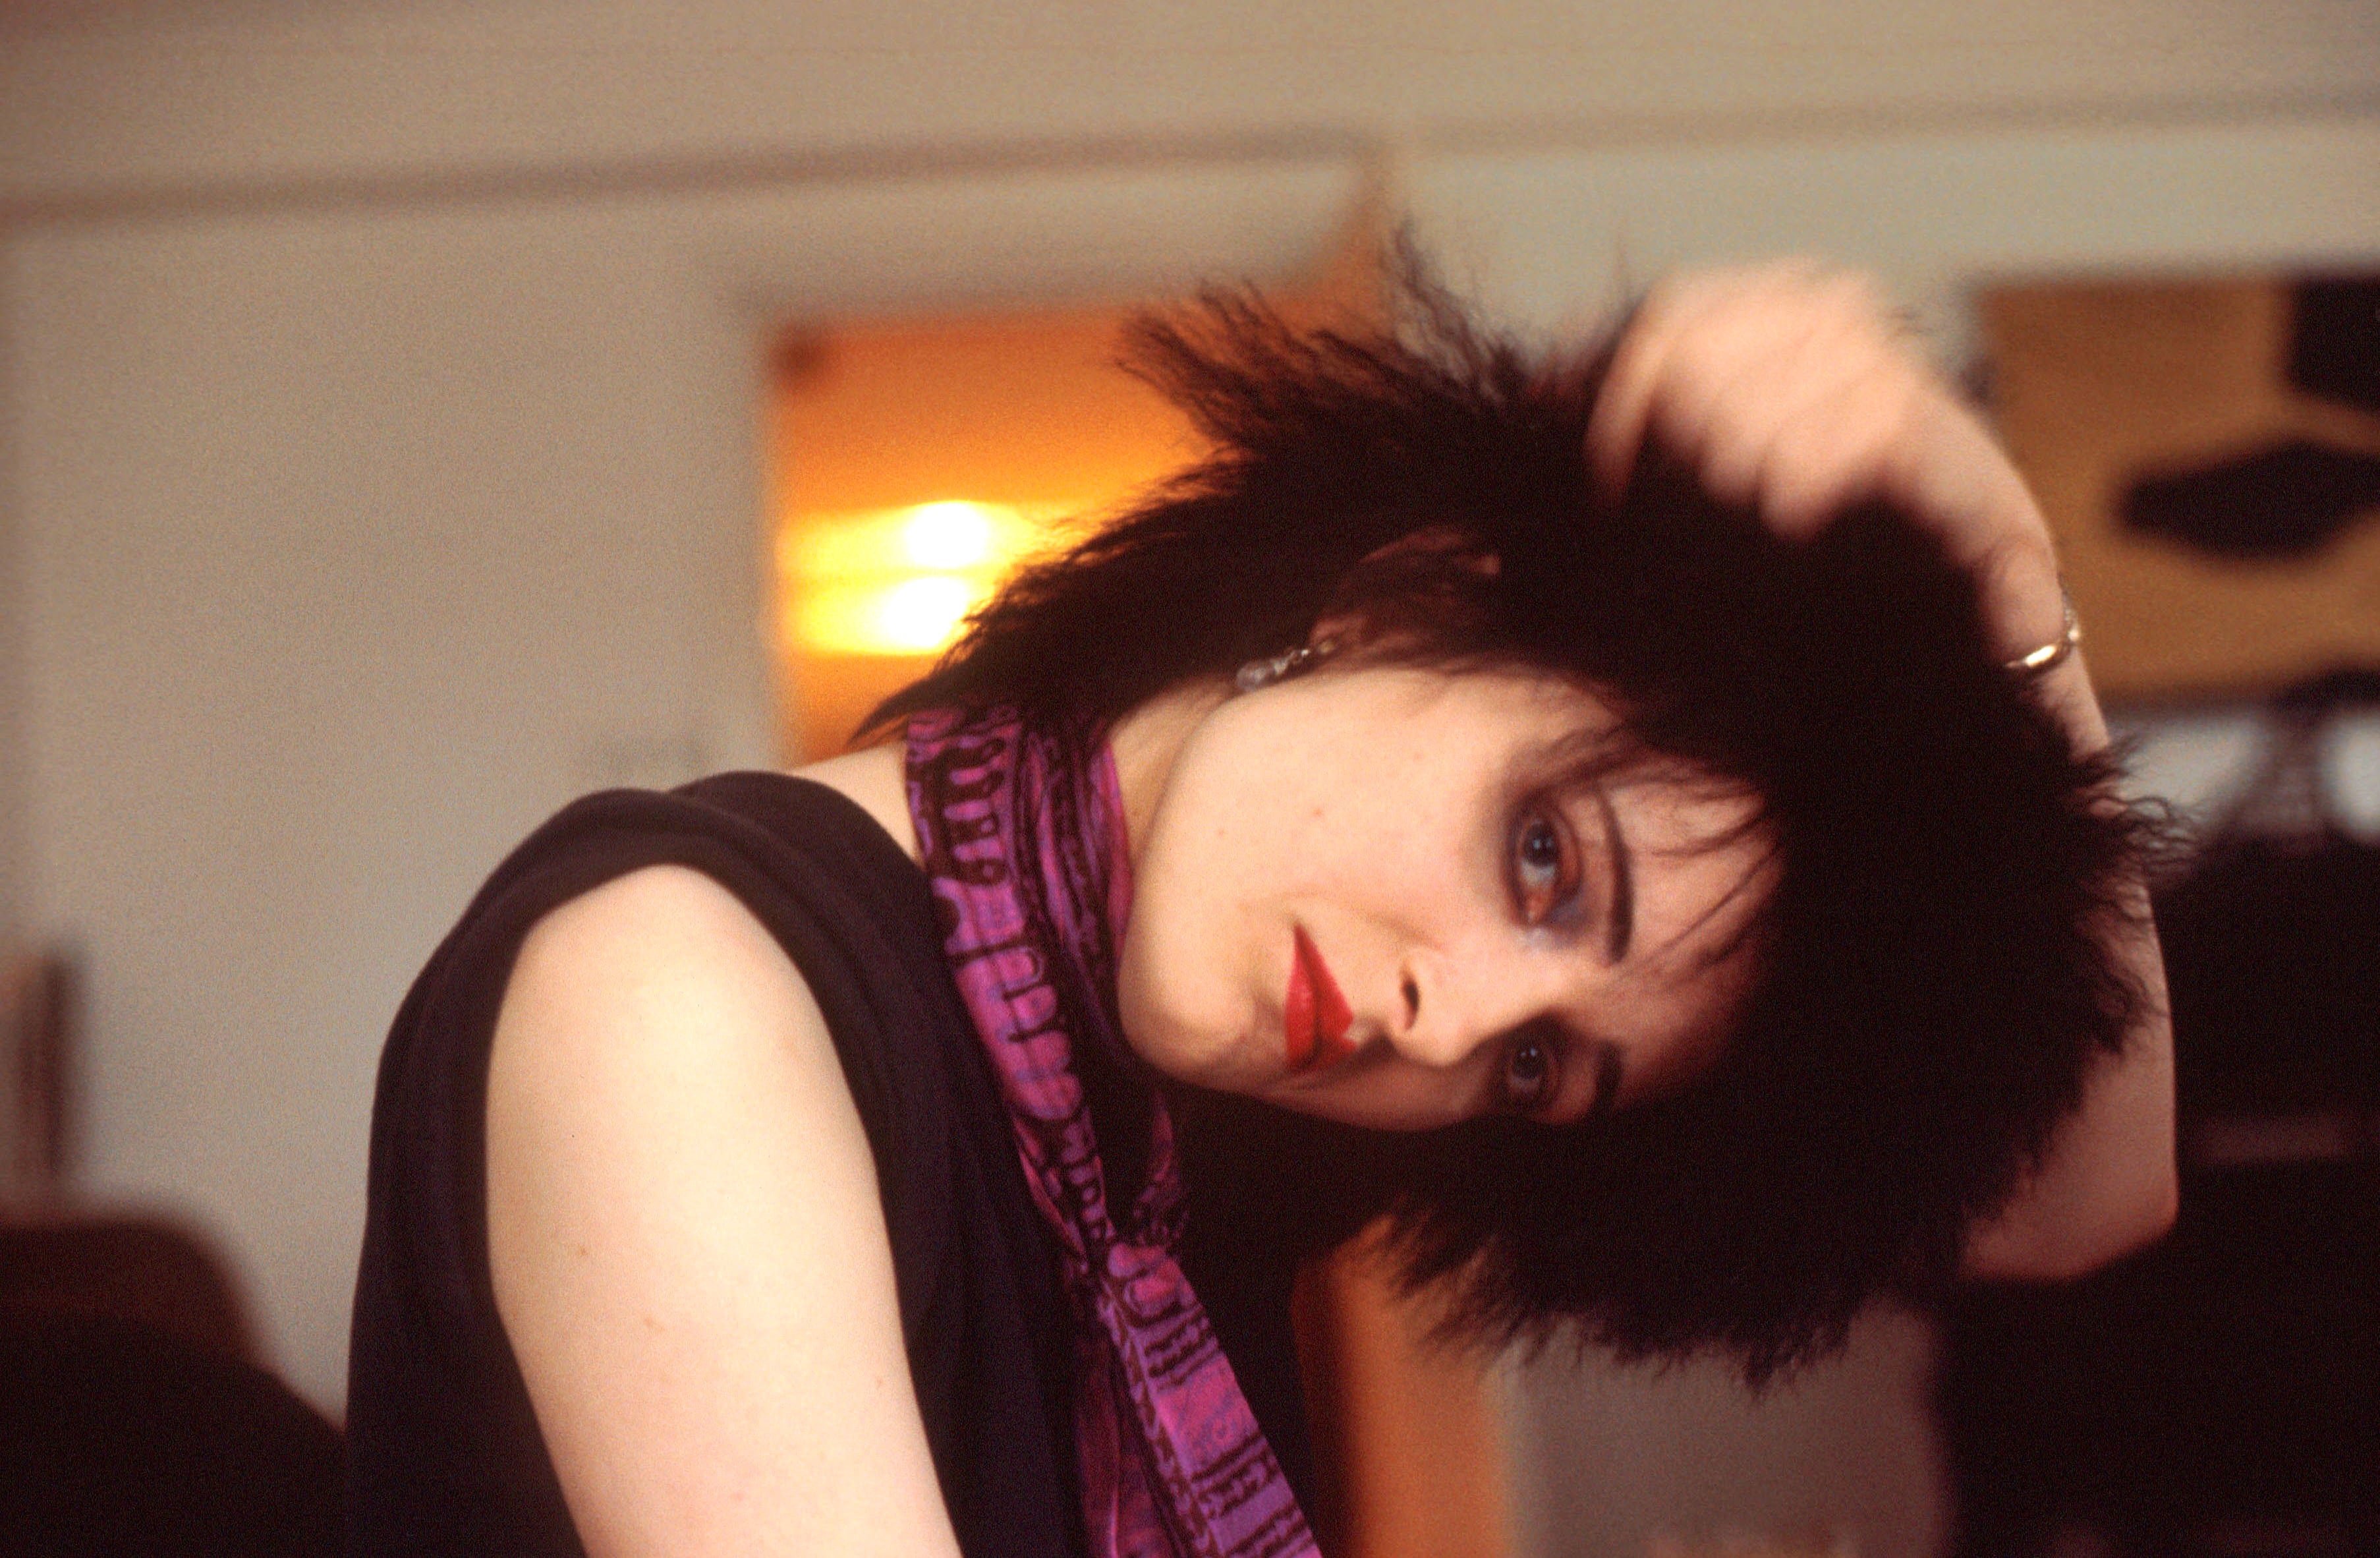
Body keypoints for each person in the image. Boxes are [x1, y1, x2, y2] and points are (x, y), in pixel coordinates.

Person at [344, 260, 2176, 1558]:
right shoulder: (682, 997)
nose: (1449, 1027)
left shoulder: (1164, 1127)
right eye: (1541, 856)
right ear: (1398, 606)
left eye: (1545, 1067)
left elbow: (2075, 1196)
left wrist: (1999, 555)